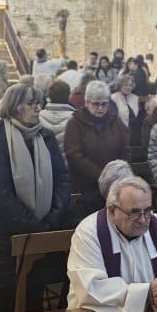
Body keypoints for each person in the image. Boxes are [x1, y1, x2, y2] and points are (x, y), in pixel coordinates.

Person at [0, 83, 71, 312]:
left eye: (39, 103)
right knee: (3, 299)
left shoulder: (44, 136)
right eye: (30, 103)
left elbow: (62, 178)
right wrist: (33, 225)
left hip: (44, 230)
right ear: (14, 106)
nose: (37, 108)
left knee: (34, 296)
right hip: (7, 236)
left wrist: (51, 219)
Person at [67, 176, 157, 312]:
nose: (143, 219)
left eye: (147, 211)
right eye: (134, 213)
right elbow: (90, 287)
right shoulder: (89, 232)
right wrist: (146, 293)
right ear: (112, 210)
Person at [65, 80, 130, 216]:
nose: (100, 108)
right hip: (87, 185)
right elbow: (74, 154)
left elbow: (124, 150)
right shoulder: (75, 123)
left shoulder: (115, 121)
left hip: (114, 184)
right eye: (96, 104)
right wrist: (102, 176)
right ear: (87, 102)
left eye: (104, 104)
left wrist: (116, 175)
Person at [39, 80, 75, 155]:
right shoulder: (75, 118)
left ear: (49, 95)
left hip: (45, 162)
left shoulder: (39, 116)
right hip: (69, 163)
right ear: (69, 95)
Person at [112, 74, 145, 146]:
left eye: (130, 85)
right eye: (125, 85)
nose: (128, 87)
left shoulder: (135, 98)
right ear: (120, 85)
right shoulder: (113, 98)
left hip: (134, 133)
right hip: (119, 132)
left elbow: (139, 117)